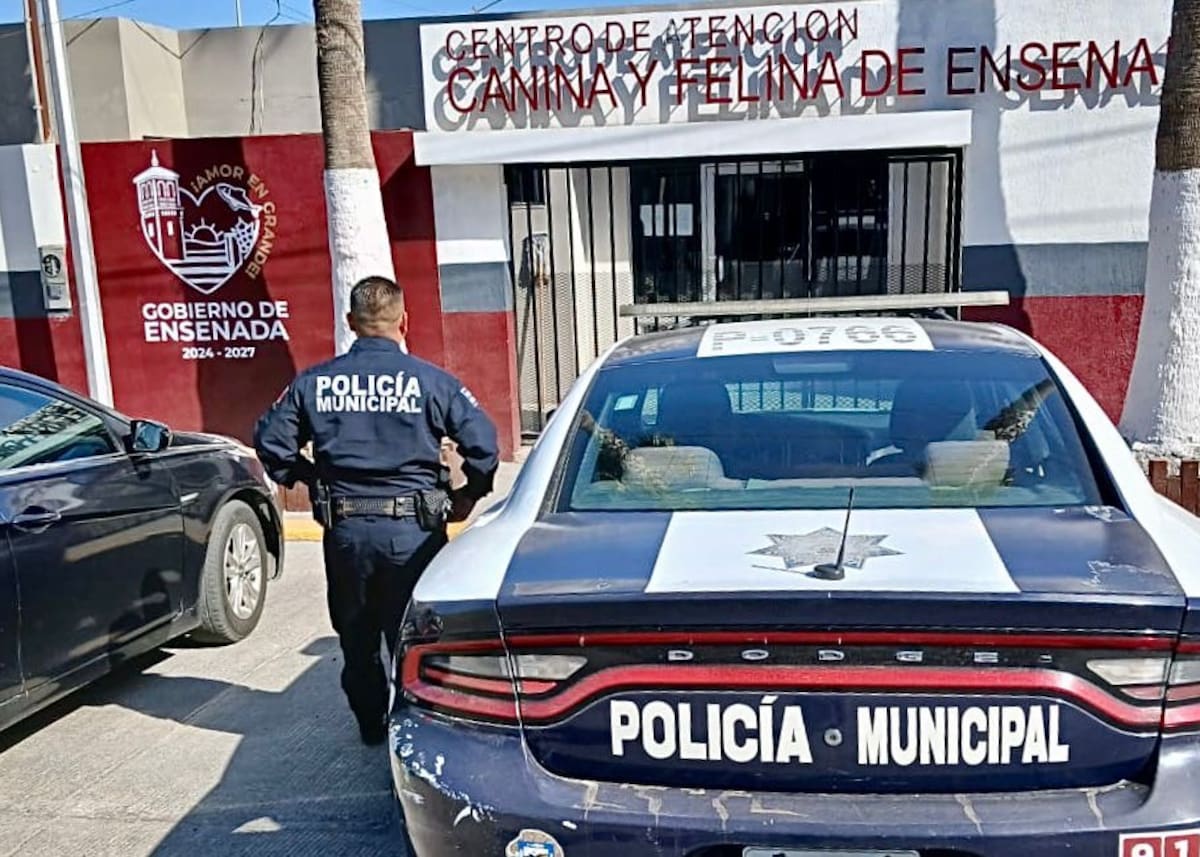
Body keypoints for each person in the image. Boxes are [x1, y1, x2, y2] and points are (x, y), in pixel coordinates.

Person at [253, 276, 499, 745]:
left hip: (346, 533)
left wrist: (309, 480)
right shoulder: (433, 382)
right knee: (418, 638)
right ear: (404, 321)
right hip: (414, 534)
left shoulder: (314, 383)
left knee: (357, 638)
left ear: (351, 323)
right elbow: (484, 445)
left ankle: (372, 727)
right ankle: (422, 725)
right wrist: (469, 495)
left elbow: (270, 442)